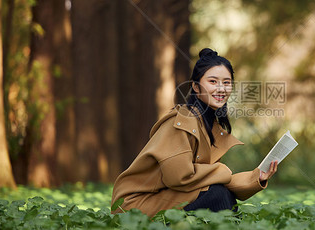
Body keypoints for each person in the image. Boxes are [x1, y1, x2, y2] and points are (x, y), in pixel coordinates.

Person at [111, 48, 278, 217]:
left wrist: (257, 177)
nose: (221, 89)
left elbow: (212, 180)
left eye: (227, 83)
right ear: (196, 88)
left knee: (219, 192)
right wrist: (221, 170)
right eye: (213, 81)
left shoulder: (209, 126)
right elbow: (179, 178)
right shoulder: (181, 122)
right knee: (217, 194)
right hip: (134, 207)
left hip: (167, 196)